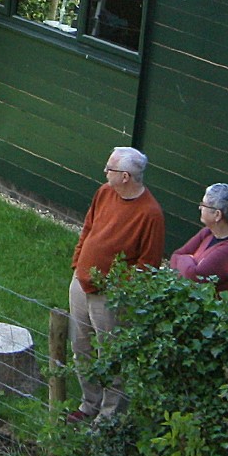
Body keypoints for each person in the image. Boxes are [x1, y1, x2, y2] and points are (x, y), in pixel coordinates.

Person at [69, 144, 165, 423]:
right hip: (81, 282)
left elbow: (147, 265)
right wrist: (78, 262)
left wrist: (112, 284)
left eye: (109, 168)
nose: (104, 172)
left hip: (109, 295)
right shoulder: (104, 192)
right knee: (81, 346)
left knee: (110, 353)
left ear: (126, 177)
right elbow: (88, 228)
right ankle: (89, 404)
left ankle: (109, 415)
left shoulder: (151, 214)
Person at [169, 183, 228, 300]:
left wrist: (187, 260)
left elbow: (195, 278)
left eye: (204, 205)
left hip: (222, 312)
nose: (200, 207)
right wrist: (188, 262)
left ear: (217, 215)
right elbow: (176, 255)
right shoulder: (209, 231)